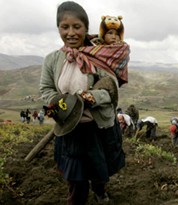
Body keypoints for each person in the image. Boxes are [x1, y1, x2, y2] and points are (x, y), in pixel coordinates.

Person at [39, 1, 129, 204]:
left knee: (99, 170)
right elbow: (45, 90)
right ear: (59, 28)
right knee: (76, 181)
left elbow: (110, 92)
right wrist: (63, 105)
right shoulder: (52, 60)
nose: (71, 32)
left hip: (97, 128)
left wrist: (86, 99)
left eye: (76, 27)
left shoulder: (100, 55)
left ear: (86, 28)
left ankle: (99, 191)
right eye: (65, 27)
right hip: (69, 129)